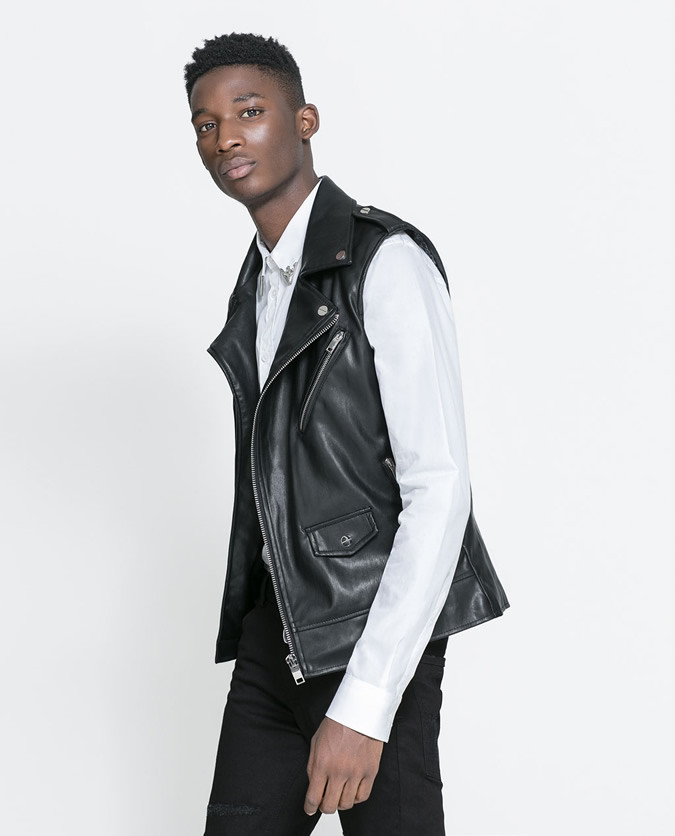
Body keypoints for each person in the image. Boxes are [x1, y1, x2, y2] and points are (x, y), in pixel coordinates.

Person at [184, 32, 510, 835]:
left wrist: (365, 703)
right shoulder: (256, 284)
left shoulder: (384, 261)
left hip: (372, 631)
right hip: (275, 634)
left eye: (248, 112)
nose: (224, 137)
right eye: (205, 123)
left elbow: (438, 488)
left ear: (305, 120)